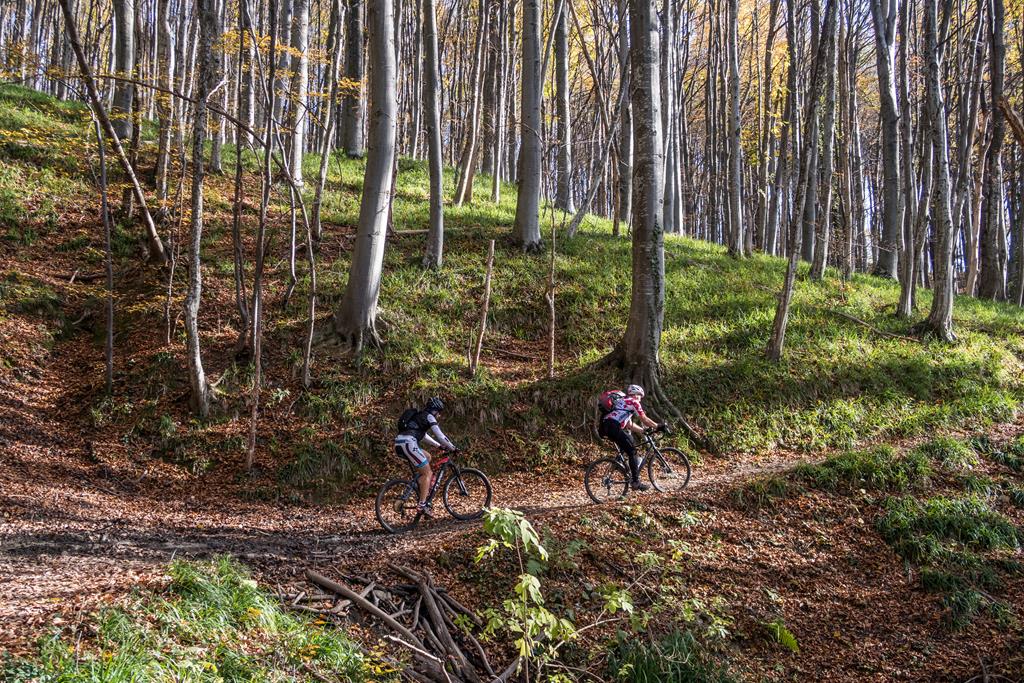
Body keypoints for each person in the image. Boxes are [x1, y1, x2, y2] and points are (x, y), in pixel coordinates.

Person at [394, 397, 457, 517]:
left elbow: (423, 436)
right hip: (409, 443)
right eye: (439, 412)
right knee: (427, 473)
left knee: (427, 457)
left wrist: (439, 447)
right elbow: (440, 435)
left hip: (400, 442)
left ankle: (417, 484)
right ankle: (422, 506)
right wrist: (452, 447)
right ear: (435, 410)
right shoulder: (429, 417)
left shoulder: (419, 418)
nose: (439, 415)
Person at [599, 384, 666, 491]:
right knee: (632, 451)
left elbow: (629, 424)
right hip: (613, 426)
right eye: (640, 396)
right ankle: (636, 482)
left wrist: (643, 431)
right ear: (636, 395)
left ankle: (619, 465)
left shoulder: (623, 402)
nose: (640, 399)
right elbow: (644, 418)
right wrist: (658, 426)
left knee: (629, 439)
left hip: (607, 426)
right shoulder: (633, 402)